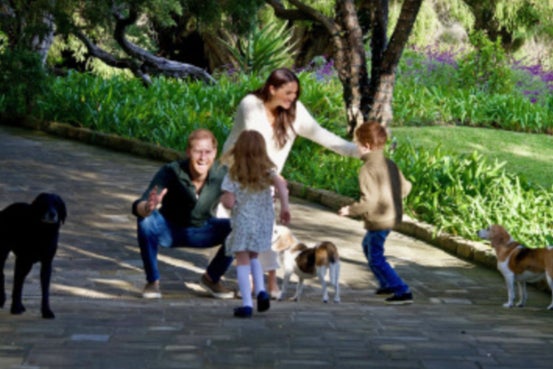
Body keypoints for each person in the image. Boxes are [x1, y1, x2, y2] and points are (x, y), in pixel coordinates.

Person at [222, 67, 360, 299]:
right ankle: (247, 284)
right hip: (238, 175)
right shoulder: (251, 104)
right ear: (271, 88)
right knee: (238, 232)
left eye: (295, 93)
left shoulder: (295, 112)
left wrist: (357, 151)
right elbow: (257, 144)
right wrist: (274, 175)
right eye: (287, 93)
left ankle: (263, 285)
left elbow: (322, 135)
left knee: (264, 232)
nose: (292, 98)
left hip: (267, 181)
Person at [132, 128, 234, 299]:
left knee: (239, 228)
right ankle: (152, 281)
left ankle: (211, 278)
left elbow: (246, 192)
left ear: (215, 153)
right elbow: (138, 205)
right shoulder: (171, 171)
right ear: (188, 151)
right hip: (169, 229)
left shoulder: (222, 173)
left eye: (208, 152)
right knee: (146, 221)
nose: (202, 157)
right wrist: (148, 207)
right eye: (197, 151)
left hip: (203, 230)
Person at [338, 121, 413, 304]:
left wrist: (350, 210)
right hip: (392, 216)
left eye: (357, 143)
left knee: (376, 257)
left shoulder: (367, 169)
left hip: (379, 220)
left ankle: (401, 290)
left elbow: (369, 201)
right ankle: (385, 283)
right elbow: (407, 187)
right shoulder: (390, 163)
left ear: (367, 146)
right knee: (368, 247)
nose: (355, 147)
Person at [220, 130, 291, 318]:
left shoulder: (233, 175)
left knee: (242, 260)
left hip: (243, 221)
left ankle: (247, 304)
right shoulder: (269, 172)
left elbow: (228, 202)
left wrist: (226, 201)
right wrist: (285, 208)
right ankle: (260, 291)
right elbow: (283, 188)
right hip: (263, 222)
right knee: (254, 256)